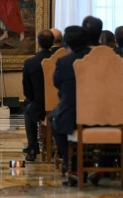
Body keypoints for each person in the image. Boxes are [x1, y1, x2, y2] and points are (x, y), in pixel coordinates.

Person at [49, 26, 91, 183]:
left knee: (54, 118)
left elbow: (57, 83)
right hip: (105, 115)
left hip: (73, 114)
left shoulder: (64, 62)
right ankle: (101, 168)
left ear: (67, 43)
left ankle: (72, 165)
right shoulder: (102, 58)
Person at [22, 30, 54, 161]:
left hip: (39, 104)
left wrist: (33, 100)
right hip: (59, 104)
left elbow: (27, 90)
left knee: (29, 110)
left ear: (38, 43)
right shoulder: (60, 60)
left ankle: (32, 147)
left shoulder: (30, 62)